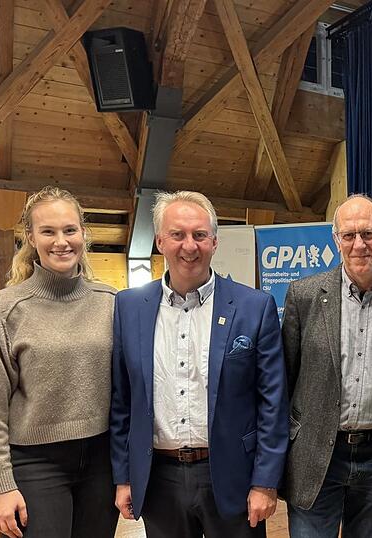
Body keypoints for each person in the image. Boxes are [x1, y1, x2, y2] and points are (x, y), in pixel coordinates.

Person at [108, 190, 287, 538]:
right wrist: (123, 477)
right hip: (159, 478)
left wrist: (265, 482)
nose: (189, 246)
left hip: (232, 475)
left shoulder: (254, 307)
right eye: (177, 234)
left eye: (199, 235)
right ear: (160, 240)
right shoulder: (129, 307)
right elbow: (122, 401)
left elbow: (273, 404)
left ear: (215, 242)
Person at [0, 186, 119, 538]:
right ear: (31, 238)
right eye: (48, 231)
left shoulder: (111, 302)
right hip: (35, 464)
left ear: (84, 233)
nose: (61, 241)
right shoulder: (4, 309)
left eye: (69, 230)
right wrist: (1, 486)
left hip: (102, 462)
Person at [281, 194, 372, 538]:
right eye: (348, 235)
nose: (358, 244)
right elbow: (284, 381)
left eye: (368, 233)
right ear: (335, 240)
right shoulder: (303, 297)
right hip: (315, 456)